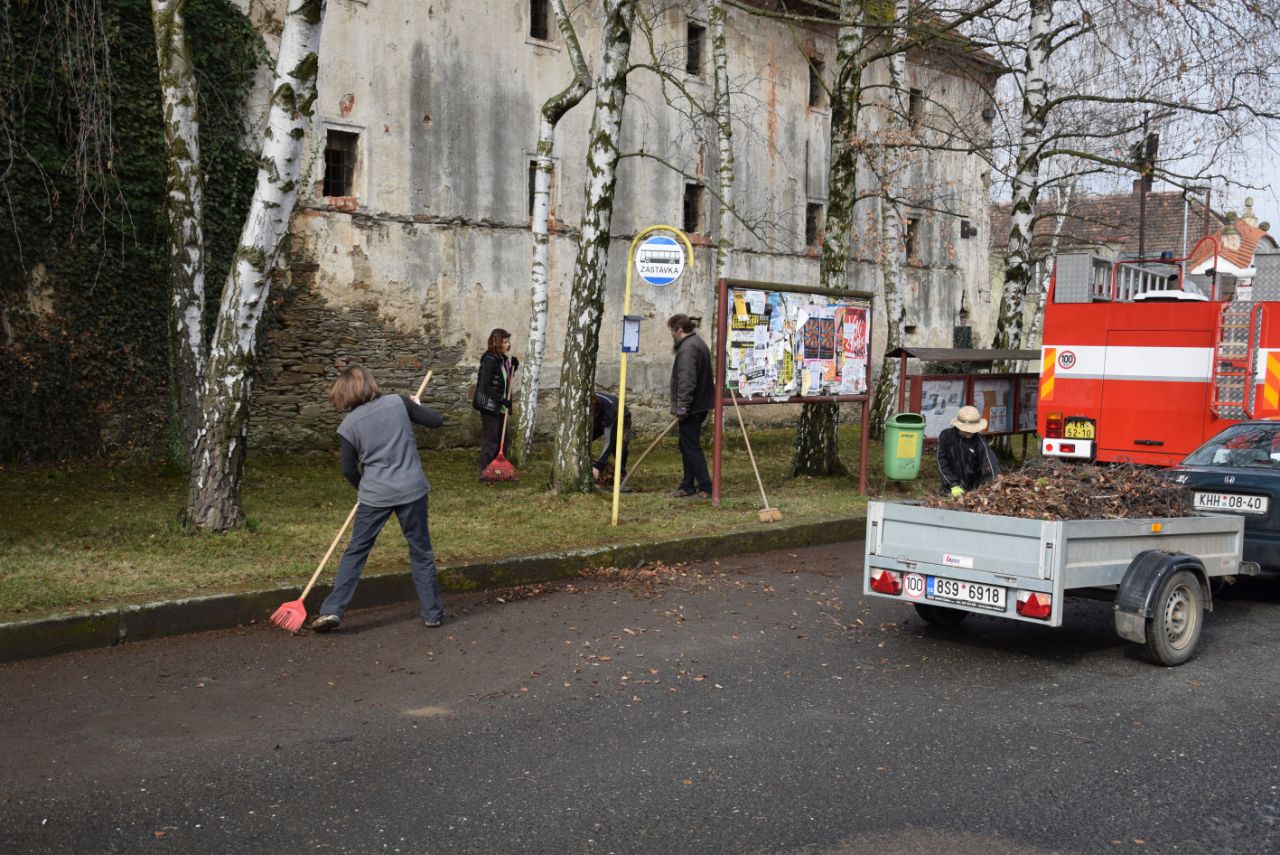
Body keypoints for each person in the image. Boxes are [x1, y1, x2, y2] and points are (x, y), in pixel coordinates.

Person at [311, 365, 446, 633]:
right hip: (411, 489)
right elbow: (436, 420)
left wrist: (363, 488)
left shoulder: (348, 426)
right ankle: (432, 613)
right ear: (369, 383)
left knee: (356, 551)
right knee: (421, 551)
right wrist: (415, 407)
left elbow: (348, 469)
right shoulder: (398, 402)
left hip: (375, 495)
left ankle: (332, 610)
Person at [668, 313, 714, 498]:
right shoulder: (697, 342)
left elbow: (687, 380)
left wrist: (683, 407)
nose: (672, 334)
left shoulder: (688, 348)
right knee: (686, 444)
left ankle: (706, 486)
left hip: (692, 406)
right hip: (699, 404)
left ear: (680, 329)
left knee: (691, 447)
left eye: (672, 331)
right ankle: (687, 485)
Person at [474, 328, 519, 476]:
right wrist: (502, 400)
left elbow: (503, 381)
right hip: (490, 406)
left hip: (500, 406)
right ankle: (485, 471)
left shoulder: (503, 360)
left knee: (503, 441)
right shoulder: (489, 360)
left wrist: (513, 367)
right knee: (491, 440)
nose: (508, 344)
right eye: (505, 342)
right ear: (496, 343)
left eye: (508, 341)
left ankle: (498, 469)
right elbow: (485, 386)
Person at [937, 404, 1000, 497]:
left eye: (972, 429)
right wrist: (952, 484)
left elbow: (991, 467)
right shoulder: (945, 436)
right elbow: (942, 462)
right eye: (966, 429)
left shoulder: (979, 442)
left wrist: (988, 488)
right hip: (950, 489)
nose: (970, 432)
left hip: (974, 491)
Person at [591, 391, 633, 486]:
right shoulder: (585, 402)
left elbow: (608, 442)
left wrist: (598, 466)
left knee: (620, 447)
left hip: (621, 417)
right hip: (600, 416)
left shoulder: (609, 411)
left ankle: (621, 476)